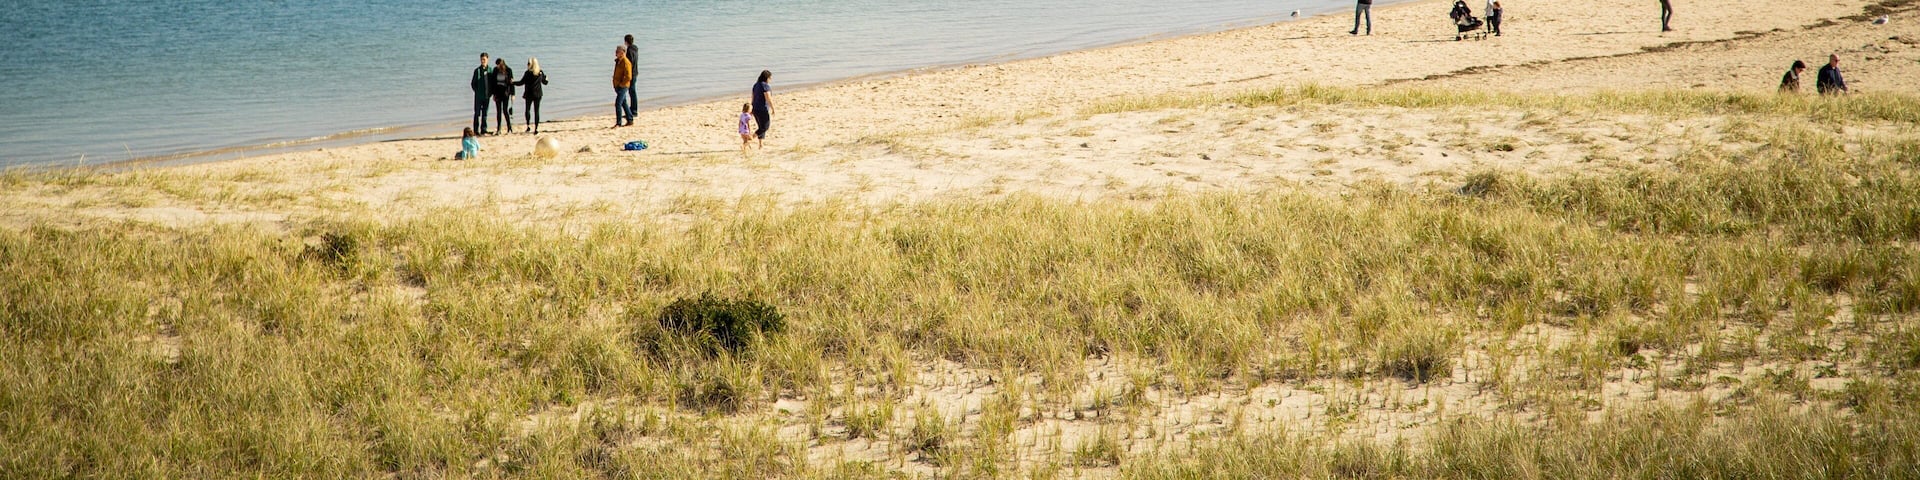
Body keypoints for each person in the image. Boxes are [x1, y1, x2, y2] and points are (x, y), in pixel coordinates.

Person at [516, 57, 549, 134]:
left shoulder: (527, 73)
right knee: (536, 111)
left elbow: (521, 82)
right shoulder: (540, 72)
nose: (527, 64)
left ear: (531, 64)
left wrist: (513, 82)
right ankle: (536, 128)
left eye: (528, 63)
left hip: (529, 94)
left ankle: (528, 126)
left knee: (527, 110)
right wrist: (547, 79)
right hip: (537, 94)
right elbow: (545, 82)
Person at [490, 58, 515, 135]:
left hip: (505, 93)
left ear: (502, 64)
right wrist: (493, 94)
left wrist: (513, 94)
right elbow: (493, 83)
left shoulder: (508, 70)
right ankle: (499, 129)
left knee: (505, 110)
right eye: (496, 65)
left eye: (498, 65)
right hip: (497, 93)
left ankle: (509, 127)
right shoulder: (495, 70)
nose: (497, 66)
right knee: (498, 111)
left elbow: (511, 83)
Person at [470, 53, 492, 135]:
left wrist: (491, 93)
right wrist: (477, 91)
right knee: (477, 113)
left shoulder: (490, 70)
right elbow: (473, 83)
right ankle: (476, 130)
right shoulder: (477, 71)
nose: (483, 61)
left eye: (484, 59)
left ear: (487, 59)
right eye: (481, 59)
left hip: (487, 96)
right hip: (478, 97)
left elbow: (492, 83)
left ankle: (484, 129)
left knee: (485, 113)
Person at [751, 70, 774, 148]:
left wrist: (751, 108)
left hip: (755, 108)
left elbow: (753, 98)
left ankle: (761, 144)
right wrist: (773, 108)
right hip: (762, 109)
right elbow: (768, 98)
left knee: (760, 127)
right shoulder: (765, 86)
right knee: (765, 127)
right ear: (767, 78)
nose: (770, 79)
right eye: (770, 78)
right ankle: (749, 140)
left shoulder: (755, 85)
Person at [613, 47, 634, 127]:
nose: (616, 53)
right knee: (624, 103)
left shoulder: (626, 62)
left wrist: (622, 84)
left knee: (618, 103)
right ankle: (630, 119)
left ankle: (618, 123)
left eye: (618, 51)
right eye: (616, 51)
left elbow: (629, 76)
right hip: (618, 85)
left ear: (623, 52)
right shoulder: (618, 61)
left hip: (623, 86)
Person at [624, 35, 641, 121]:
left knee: (632, 92)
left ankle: (633, 111)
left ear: (626, 42)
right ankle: (632, 110)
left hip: (632, 74)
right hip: (635, 72)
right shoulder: (635, 49)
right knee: (632, 92)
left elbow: (629, 64)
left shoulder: (629, 51)